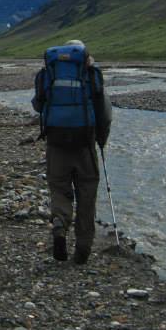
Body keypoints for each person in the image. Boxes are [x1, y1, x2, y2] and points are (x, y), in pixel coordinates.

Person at [31, 39, 111, 264]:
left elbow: (38, 105)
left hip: (56, 143)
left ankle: (59, 226)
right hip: (85, 144)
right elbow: (104, 113)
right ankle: (83, 248)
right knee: (87, 195)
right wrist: (101, 139)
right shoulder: (91, 75)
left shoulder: (49, 73)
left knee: (59, 189)